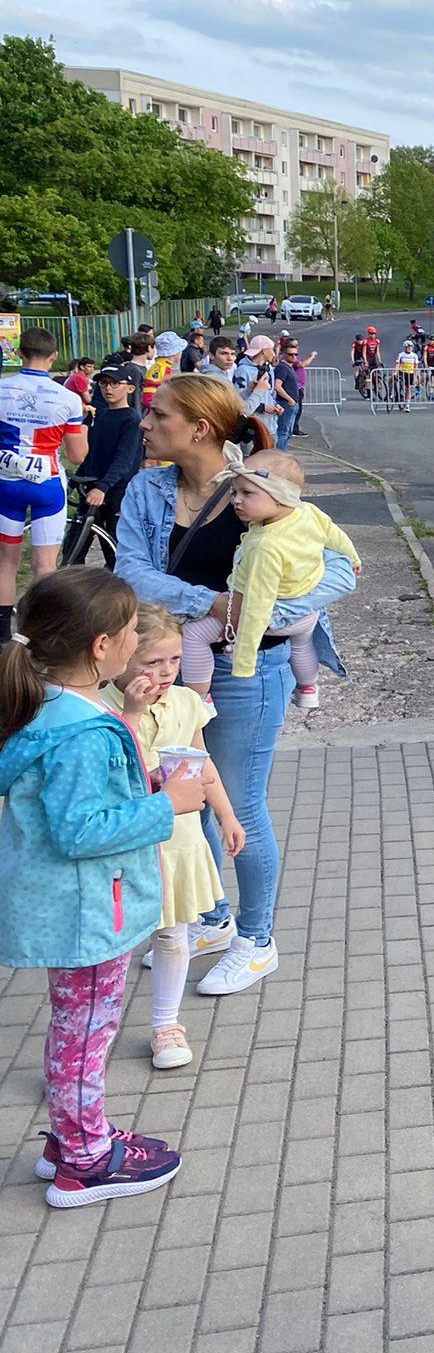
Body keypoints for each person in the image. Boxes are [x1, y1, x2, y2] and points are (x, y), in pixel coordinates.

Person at [116, 375, 356, 997]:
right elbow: (132, 572)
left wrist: (273, 614)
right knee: (186, 793)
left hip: (251, 668)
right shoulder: (148, 487)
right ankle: (214, 918)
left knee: (240, 804)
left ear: (199, 428)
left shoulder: (261, 482)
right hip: (171, 665)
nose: (145, 423)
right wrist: (218, 603)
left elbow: (338, 567)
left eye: (158, 414)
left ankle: (257, 939)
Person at [0, 568, 202, 1207]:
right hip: (87, 911)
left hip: (79, 905)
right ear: (102, 647)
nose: (136, 643)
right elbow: (79, 829)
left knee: (78, 1028)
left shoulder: (58, 706)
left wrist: (147, 783)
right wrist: (166, 805)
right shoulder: (83, 732)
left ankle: (73, 1139)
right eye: (131, 633)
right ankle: (85, 1163)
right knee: (85, 1035)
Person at [112, 603, 243, 1070]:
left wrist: (227, 815)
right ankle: (93, 1024)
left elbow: (202, 763)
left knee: (172, 935)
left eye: (174, 659)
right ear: (121, 657)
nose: (166, 671)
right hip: (124, 844)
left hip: (177, 841)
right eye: (151, 661)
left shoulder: (187, 701)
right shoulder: (103, 706)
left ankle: (166, 1024)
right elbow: (115, 769)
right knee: (112, 941)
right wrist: (132, 711)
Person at [176, 450, 359, 711]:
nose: (236, 501)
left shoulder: (266, 547)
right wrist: (353, 559)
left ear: (280, 495)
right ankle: (308, 688)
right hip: (306, 609)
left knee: (193, 634)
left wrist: (244, 658)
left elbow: (256, 606)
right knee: (301, 644)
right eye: (235, 492)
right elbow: (334, 535)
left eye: (247, 493)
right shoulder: (307, 512)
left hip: (274, 614)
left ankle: (198, 700)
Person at [0, 326, 90, 638]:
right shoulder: (68, 398)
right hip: (47, 484)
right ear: (54, 356)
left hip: (6, 483)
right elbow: (77, 455)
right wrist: (84, 428)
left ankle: (2, 637)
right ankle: (39, 634)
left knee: (6, 563)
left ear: (19, 353)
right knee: (45, 565)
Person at [72, 366, 143, 540]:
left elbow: (124, 460)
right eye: (103, 383)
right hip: (92, 485)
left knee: (114, 542)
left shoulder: (131, 419)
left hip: (115, 489)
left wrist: (103, 487)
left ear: (130, 388)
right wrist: (74, 481)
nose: (108, 388)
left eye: (115, 383)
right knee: (75, 540)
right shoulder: (100, 415)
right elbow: (91, 455)